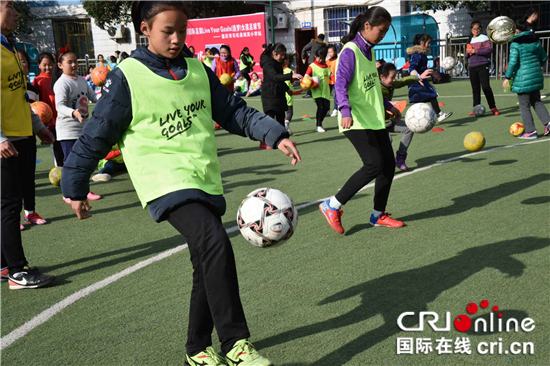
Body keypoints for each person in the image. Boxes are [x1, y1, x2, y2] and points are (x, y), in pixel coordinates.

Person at [62, 2, 301, 366]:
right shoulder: (127, 76)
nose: (176, 39)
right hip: (162, 183)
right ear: (145, 28)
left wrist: (273, 132)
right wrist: (74, 185)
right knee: (215, 242)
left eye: (182, 31)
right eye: (167, 31)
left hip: (202, 178)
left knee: (204, 260)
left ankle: (196, 349)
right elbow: (97, 134)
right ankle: (236, 343)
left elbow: (234, 111)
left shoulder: (196, 70)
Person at [320, 6, 405, 234]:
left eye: (386, 31)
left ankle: (378, 215)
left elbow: (372, 86)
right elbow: (340, 84)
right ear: (367, 26)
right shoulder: (350, 50)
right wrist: (344, 109)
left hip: (373, 118)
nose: (383, 35)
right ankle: (332, 205)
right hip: (355, 119)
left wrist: (388, 106)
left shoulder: (371, 51)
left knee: (388, 165)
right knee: (374, 164)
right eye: (381, 30)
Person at [1, 0, 56, 289]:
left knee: (10, 203)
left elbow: (20, 96)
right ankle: (17, 272)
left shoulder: (9, 46)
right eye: (12, 6)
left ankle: (2, 264)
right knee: (9, 205)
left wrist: (37, 127)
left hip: (21, 135)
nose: (17, 13)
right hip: (5, 141)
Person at [51, 48, 101, 203]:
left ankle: (84, 190)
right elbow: (59, 106)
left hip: (83, 129)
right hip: (67, 130)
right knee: (70, 163)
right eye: (69, 62)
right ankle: (68, 193)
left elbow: (92, 97)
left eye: (76, 62)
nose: (74, 65)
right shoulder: (61, 83)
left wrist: (105, 99)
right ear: (60, 65)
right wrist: (73, 112)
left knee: (84, 162)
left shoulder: (81, 80)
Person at [379, 62, 432, 170]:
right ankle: (385, 163)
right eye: (392, 77)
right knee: (387, 139)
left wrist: (418, 77)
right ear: (382, 77)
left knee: (409, 128)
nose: (394, 80)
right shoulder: (376, 89)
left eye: (395, 77)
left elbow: (403, 81)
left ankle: (400, 158)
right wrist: (391, 107)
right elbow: (380, 102)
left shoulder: (390, 84)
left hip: (388, 121)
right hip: (377, 124)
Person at [17, 49, 48, 229]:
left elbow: (35, 110)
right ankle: (12, 218)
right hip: (9, 137)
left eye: (24, 61)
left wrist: (40, 128)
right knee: (11, 181)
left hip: (28, 135)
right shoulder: (6, 85)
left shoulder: (32, 89)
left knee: (28, 178)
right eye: (18, 61)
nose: (21, 64)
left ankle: (30, 212)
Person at [503, 19, 550, 139]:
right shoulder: (536, 40)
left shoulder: (516, 43)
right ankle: (548, 123)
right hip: (536, 76)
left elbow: (513, 62)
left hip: (522, 78)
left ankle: (530, 131)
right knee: (537, 101)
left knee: (524, 105)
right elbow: (544, 58)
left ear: (517, 30)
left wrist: (507, 78)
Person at [260, 43, 302, 149]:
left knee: (281, 119)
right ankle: (263, 142)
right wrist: (291, 76)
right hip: (269, 96)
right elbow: (274, 77)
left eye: (284, 55)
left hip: (278, 94)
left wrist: (287, 89)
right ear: (274, 53)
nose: (283, 57)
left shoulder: (277, 63)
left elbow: (279, 81)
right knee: (269, 120)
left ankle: (283, 141)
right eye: (281, 55)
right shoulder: (268, 63)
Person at [407, 33, 452, 123]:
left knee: (422, 100)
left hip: (422, 81)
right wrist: (417, 77)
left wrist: (431, 73)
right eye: (428, 43)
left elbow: (422, 68)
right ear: (422, 43)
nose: (430, 45)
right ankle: (438, 114)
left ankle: (422, 119)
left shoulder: (422, 54)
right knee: (431, 96)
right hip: (418, 82)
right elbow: (411, 68)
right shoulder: (417, 54)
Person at [34, 52, 64, 167]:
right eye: (44, 65)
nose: (47, 67)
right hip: (49, 120)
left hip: (62, 116)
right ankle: (59, 168)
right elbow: (36, 102)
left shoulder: (60, 77)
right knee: (55, 144)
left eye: (50, 64)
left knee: (65, 143)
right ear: (39, 65)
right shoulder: (37, 80)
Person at [466, 21, 499, 116]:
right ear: (471, 30)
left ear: (480, 29)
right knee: (475, 89)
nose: (475, 31)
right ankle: (476, 107)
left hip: (482, 65)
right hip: (472, 66)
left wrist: (476, 51)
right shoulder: (469, 40)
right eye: (474, 29)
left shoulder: (484, 38)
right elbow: (467, 56)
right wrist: (467, 53)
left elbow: (489, 49)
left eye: (477, 29)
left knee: (486, 87)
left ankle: (493, 107)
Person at [305, 48, 331, 133]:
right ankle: (319, 125)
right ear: (315, 56)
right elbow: (306, 77)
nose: (321, 59)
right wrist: (311, 83)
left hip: (326, 91)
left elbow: (331, 75)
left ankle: (319, 120)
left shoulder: (326, 66)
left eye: (322, 58)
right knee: (321, 107)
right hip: (317, 91)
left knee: (326, 108)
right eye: (319, 58)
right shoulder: (311, 66)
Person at [301, 34, 327, 98]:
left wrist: (303, 58)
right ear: (323, 38)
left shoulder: (313, 42)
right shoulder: (324, 45)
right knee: (320, 77)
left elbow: (304, 49)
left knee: (309, 78)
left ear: (317, 37)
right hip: (321, 63)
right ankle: (320, 92)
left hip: (312, 62)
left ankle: (309, 93)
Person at [283, 56, 295, 135]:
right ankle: (286, 123)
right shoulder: (289, 71)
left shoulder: (275, 70)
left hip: (279, 94)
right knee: (289, 111)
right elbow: (293, 82)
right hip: (288, 93)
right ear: (286, 61)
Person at [326, 45, 339, 117]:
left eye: (331, 52)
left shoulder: (338, 60)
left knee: (335, 96)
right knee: (327, 96)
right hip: (328, 82)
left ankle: (335, 109)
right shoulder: (327, 62)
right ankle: (327, 110)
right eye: (328, 52)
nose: (330, 53)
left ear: (335, 52)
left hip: (336, 82)